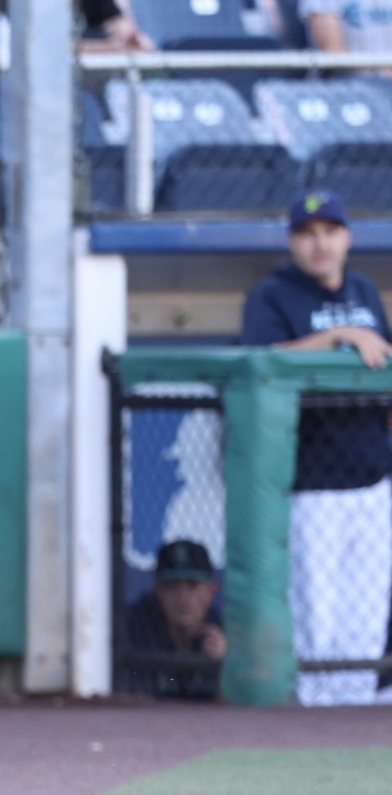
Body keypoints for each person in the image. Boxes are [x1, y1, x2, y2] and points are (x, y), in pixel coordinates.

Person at [240, 190, 392, 688]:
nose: (320, 243)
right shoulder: (272, 294)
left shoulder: (363, 290)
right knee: (317, 617)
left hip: (373, 479)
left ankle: (353, 711)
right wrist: (335, 337)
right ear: (291, 242)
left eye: (330, 231)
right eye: (307, 234)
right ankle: (314, 714)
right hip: (311, 483)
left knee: (366, 618)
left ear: (348, 237)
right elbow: (262, 361)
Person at [116, 539, 224, 700]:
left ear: (211, 590)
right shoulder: (135, 627)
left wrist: (224, 668)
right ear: (157, 590)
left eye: (192, 585)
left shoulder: (225, 630)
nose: (183, 598)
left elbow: (237, 706)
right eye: (171, 586)